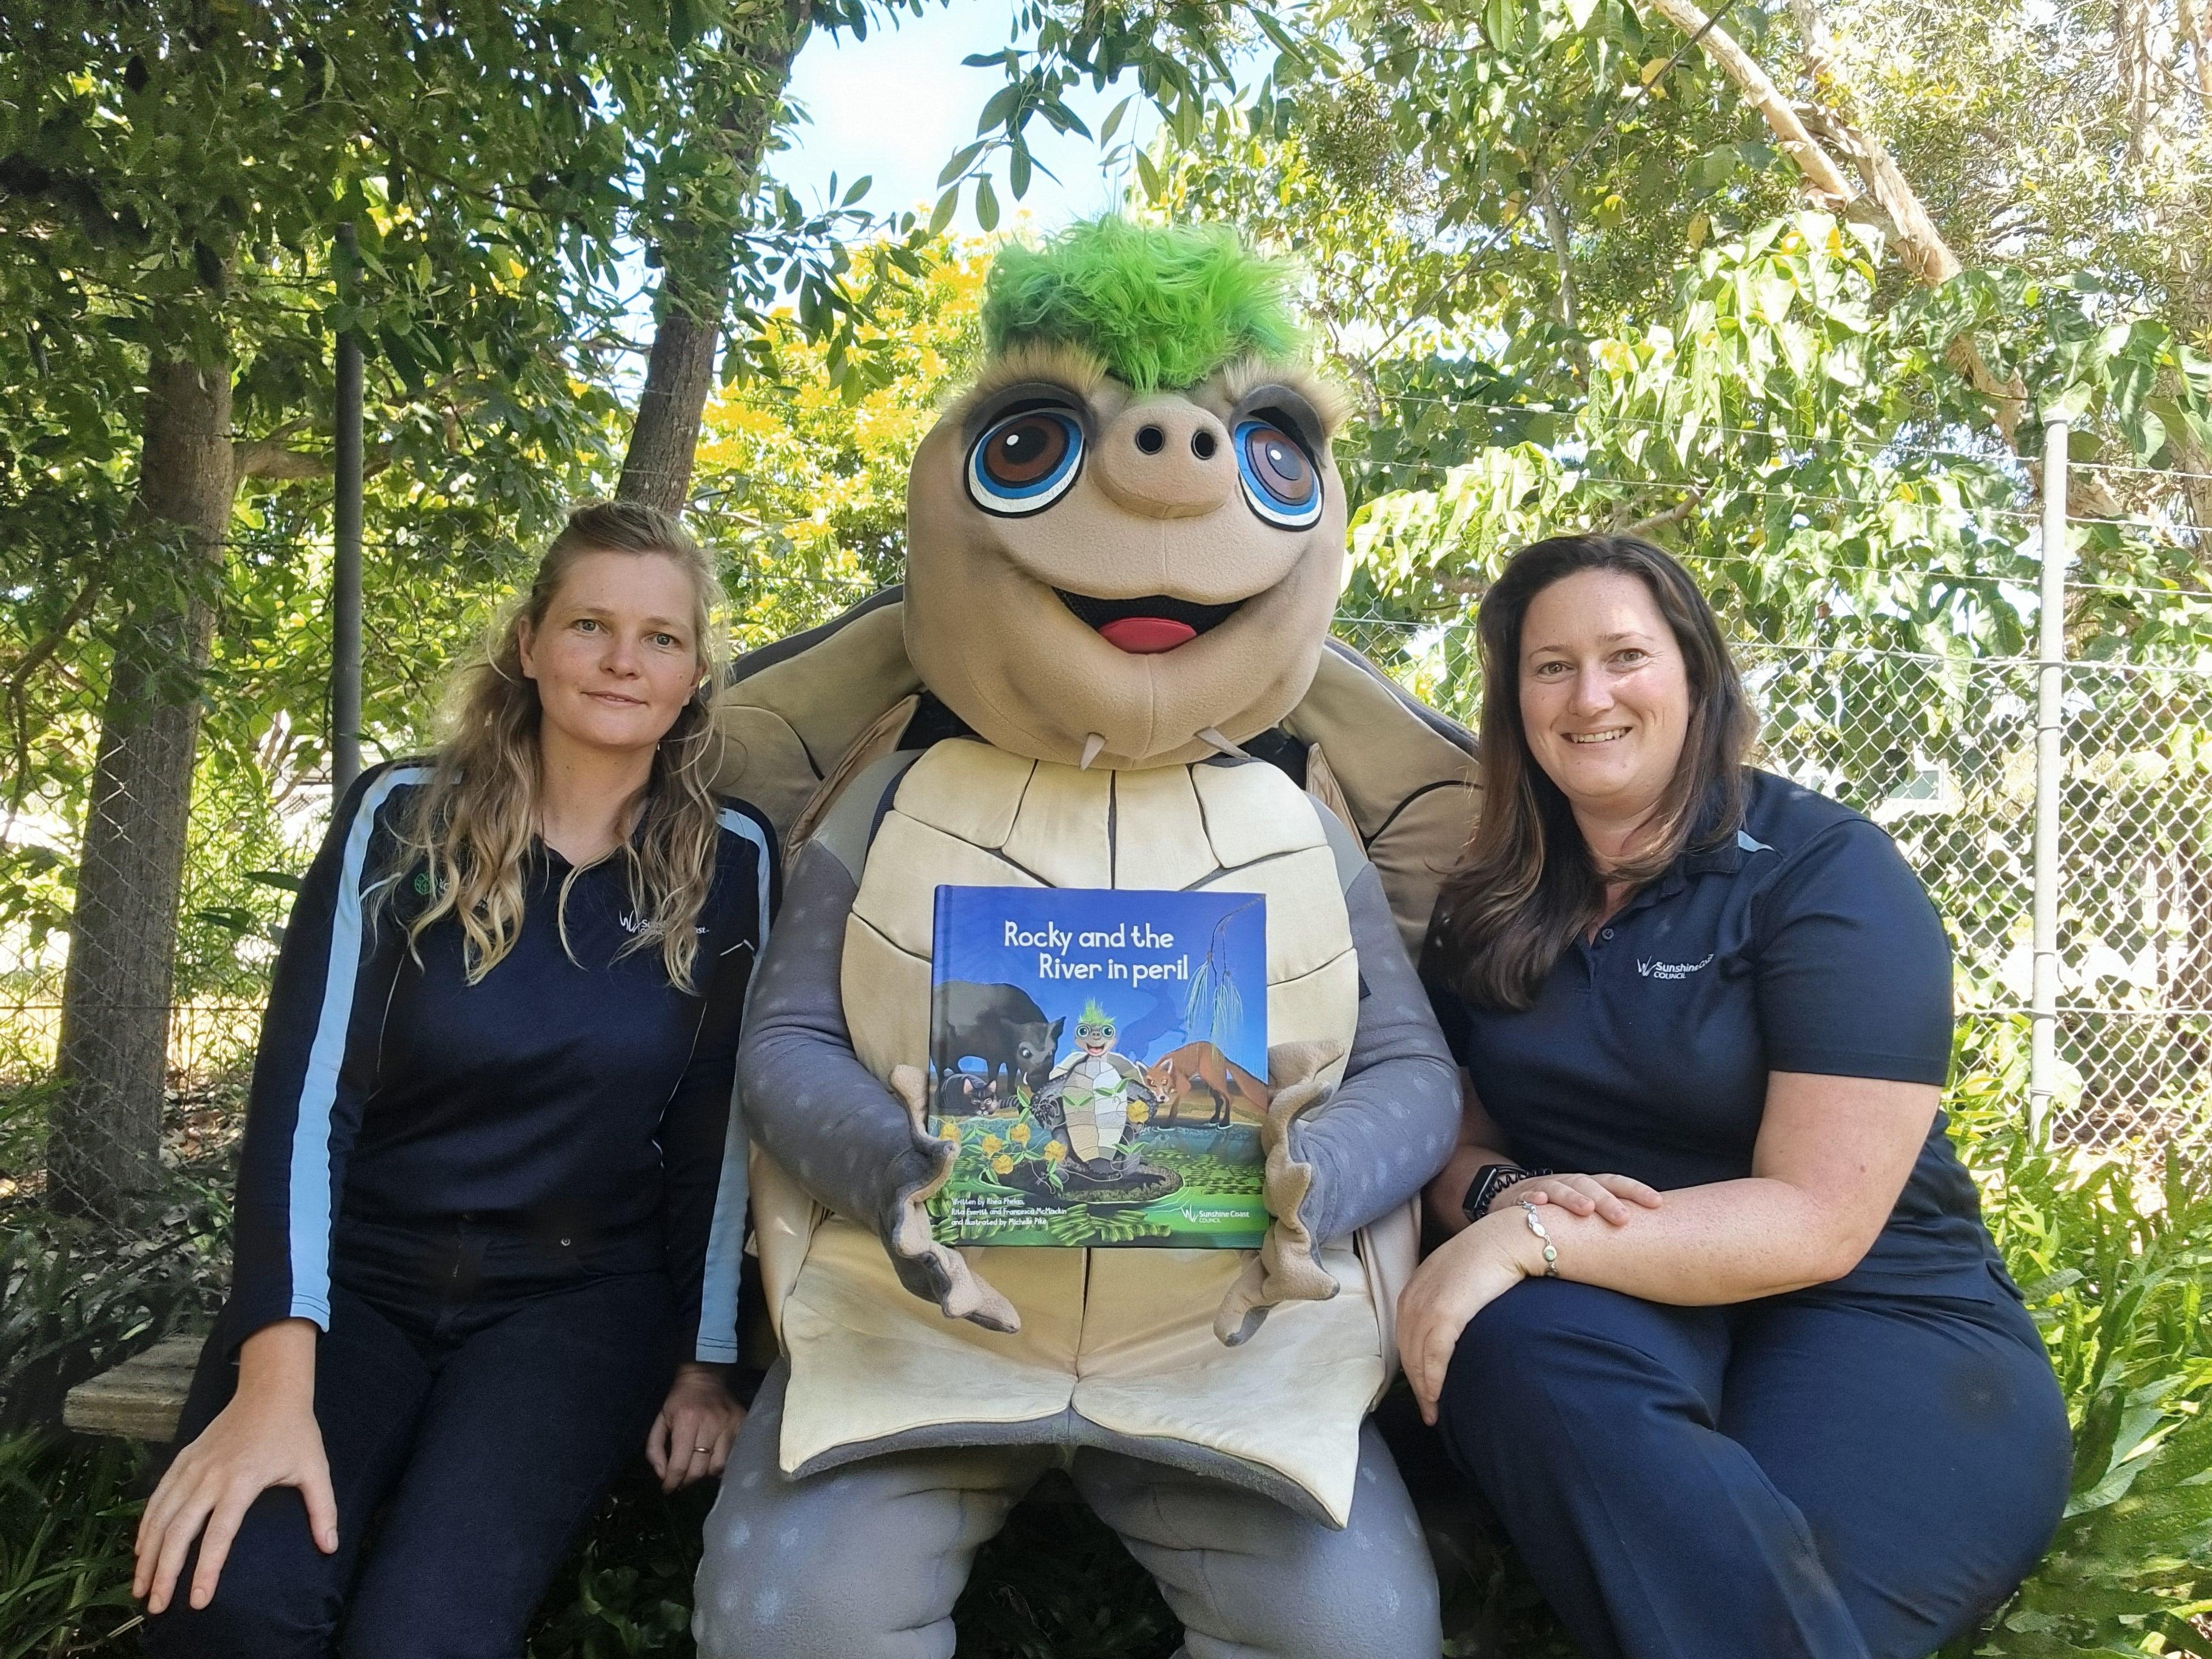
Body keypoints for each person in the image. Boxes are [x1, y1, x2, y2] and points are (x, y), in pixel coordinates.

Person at [1397, 532, 2070, 1659]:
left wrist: (1525, 1239)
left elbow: (1821, 1217)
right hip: (1612, 1295)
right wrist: (1505, 1200)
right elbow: (1454, 1127)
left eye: (1625, 655)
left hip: (1873, 1306)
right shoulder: (1491, 897)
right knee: (1509, 1345)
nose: (1590, 694)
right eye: (1550, 666)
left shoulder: (1825, 873)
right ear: (1514, 702)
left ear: (1696, 675)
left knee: (1775, 1615)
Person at [134, 501, 777, 1657]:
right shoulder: (402, 819)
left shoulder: (732, 860)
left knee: (423, 1635)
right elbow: (302, 1098)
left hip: (577, 1301)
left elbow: (715, 1128)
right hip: (358, 1283)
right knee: (232, 1598)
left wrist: (703, 1364)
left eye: (662, 637)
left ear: (695, 674)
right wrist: (273, 1380)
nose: (625, 660)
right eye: (591, 625)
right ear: (530, 645)